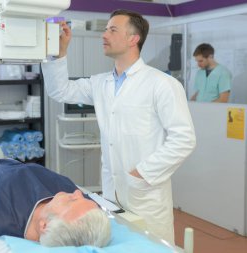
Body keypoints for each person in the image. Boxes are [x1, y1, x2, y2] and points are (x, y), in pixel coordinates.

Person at [41, 9, 196, 244]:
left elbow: (184, 139)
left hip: (145, 192)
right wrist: (60, 53)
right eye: (105, 29)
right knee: (120, 244)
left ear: (133, 39)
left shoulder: (162, 84)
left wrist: (142, 172)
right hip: (113, 191)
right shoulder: (100, 83)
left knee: (152, 246)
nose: (104, 35)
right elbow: (59, 90)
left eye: (112, 30)